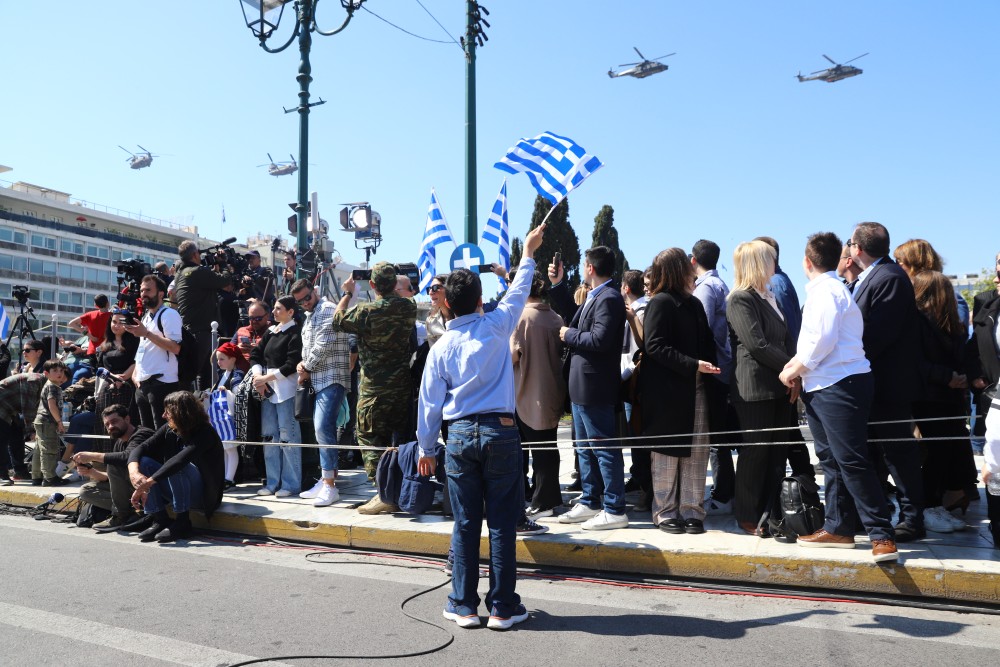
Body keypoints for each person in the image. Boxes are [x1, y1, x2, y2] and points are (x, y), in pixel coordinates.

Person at [417, 220, 546, 631]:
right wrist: (528, 252)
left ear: (445, 306)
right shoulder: (495, 325)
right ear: (478, 301)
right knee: (504, 523)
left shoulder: (439, 348)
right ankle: (504, 607)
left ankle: (463, 604)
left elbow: (429, 405)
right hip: (501, 432)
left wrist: (426, 450)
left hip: (457, 437)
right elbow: (520, 289)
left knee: (466, 522)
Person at [779, 232, 898, 563]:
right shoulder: (830, 289)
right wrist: (797, 367)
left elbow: (823, 339)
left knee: (851, 460)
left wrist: (795, 369)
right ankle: (839, 526)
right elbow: (815, 341)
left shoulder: (827, 291)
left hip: (840, 384)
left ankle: (881, 535)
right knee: (831, 460)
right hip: (826, 384)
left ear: (806, 262)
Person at [847, 222, 925, 542]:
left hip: (888, 385)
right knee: (878, 453)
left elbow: (879, 333)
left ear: (858, 249)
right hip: (873, 383)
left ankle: (912, 517)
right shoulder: (873, 276)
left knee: (898, 453)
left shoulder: (889, 277)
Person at [640, 248, 720, 535]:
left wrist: (709, 365)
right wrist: (694, 364)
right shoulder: (660, 303)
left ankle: (692, 510)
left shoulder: (694, 304)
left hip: (696, 388)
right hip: (667, 393)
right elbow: (654, 346)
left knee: (696, 454)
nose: (691, 270)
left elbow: (707, 341)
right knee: (666, 455)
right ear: (676, 270)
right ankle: (664, 511)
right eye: (686, 266)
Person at [549, 246, 628, 531]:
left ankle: (614, 507)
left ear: (590, 268)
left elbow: (600, 340)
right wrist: (558, 285)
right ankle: (591, 500)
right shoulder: (598, 295)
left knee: (603, 448)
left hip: (595, 387)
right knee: (584, 449)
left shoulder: (608, 297)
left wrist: (568, 335)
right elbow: (575, 317)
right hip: (583, 387)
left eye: (584, 265)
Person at [726, 241, 799, 535]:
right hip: (754, 387)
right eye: (769, 259)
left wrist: (794, 371)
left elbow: (785, 338)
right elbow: (757, 344)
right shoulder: (740, 299)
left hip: (781, 384)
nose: (774, 264)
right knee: (755, 453)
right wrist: (792, 369)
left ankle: (772, 512)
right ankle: (747, 513)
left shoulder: (770, 297)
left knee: (776, 453)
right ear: (757, 263)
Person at [332, 262, 417, 513]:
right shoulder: (408, 307)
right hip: (402, 385)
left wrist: (348, 292)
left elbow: (338, 320)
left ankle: (383, 494)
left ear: (371, 285)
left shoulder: (365, 311)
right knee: (399, 440)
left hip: (374, 389)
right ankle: (399, 490)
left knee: (368, 438)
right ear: (394, 285)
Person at [910, 271, 975, 532]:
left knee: (947, 452)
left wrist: (960, 377)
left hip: (949, 396)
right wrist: (949, 377)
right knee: (937, 453)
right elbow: (916, 362)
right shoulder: (917, 322)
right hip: (930, 396)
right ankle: (928, 506)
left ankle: (937, 504)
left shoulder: (949, 324)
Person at [127, 391, 225, 542]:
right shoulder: (169, 428)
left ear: (181, 413)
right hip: (177, 488)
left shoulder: (206, 433)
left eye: (168, 411)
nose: (164, 415)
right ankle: (159, 518)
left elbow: (180, 460)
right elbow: (141, 448)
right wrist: (134, 472)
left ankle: (182, 521)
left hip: (202, 495)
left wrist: (145, 485)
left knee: (177, 465)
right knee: (145, 462)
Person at [511, 268, 567, 519]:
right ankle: (549, 497)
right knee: (548, 449)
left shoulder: (519, 318)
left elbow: (513, 356)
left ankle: (543, 501)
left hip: (526, 394)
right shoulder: (555, 317)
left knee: (532, 452)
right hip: (552, 391)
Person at [292, 278, 352, 507]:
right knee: (322, 430)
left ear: (314, 291)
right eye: (300, 301)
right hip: (319, 378)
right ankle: (328, 479)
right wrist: (302, 364)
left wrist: (305, 366)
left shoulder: (327, 309)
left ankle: (329, 485)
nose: (305, 303)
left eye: (307, 297)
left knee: (322, 427)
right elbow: (310, 348)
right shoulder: (310, 315)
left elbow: (323, 344)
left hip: (331, 377)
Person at [691, 240, 737, 517]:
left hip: (715, 369)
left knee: (716, 437)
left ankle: (722, 496)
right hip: (723, 367)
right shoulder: (720, 285)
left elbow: (702, 329)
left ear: (693, 260)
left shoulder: (706, 288)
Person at [250, 295, 303, 496]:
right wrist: (258, 377)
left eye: (279, 308)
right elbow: (255, 355)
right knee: (270, 436)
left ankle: (290, 484)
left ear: (290, 312)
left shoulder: (295, 333)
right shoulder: (271, 332)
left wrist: (266, 378)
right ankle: (272, 482)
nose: (274, 312)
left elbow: (291, 365)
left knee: (288, 436)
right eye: (274, 308)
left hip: (287, 391)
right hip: (268, 391)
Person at [73, 405, 155, 532]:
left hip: (152, 487)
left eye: (114, 421)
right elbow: (114, 478)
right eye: (107, 424)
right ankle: (132, 511)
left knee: (113, 462)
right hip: (132, 487)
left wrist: (92, 456)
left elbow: (127, 457)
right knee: (86, 490)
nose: (111, 427)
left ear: (127, 419)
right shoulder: (119, 442)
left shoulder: (143, 434)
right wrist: (92, 472)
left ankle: (120, 515)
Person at [172, 239, 234, 390]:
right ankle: (183, 407)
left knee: (203, 372)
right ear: (194, 254)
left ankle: (201, 404)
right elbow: (225, 281)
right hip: (201, 330)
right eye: (198, 253)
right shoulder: (198, 272)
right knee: (191, 374)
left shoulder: (180, 274)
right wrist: (224, 263)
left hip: (190, 329)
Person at [126, 275, 182, 431]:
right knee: (146, 433)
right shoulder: (145, 318)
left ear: (161, 294)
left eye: (148, 290)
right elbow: (142, 349)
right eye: (142, 290)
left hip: (162, 383)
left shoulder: (169, 314)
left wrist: (147, 334)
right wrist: (136, 374)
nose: (143, 294)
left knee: (163, 433)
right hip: (143, 385)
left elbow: (175, 348)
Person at [620, 269, 651, 509]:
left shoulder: (640, 311)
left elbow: (637, 352)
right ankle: (638, 478)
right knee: (635, 435)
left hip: (634, 380)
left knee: (639, 436)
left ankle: (644, 486)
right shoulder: (638, 309)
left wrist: (625, 374)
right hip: (632, 380)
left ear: (626, 288)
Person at [893, 238, 970, 328]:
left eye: (898, 260)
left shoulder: (953, 298)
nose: (895, 265)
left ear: (914, 262)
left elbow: (959, 332)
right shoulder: (904, 294)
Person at [208, 342, 249, 489]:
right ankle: (226, 476)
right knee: (225, 449)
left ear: (232, 359)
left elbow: (239, 395)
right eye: (218, 359)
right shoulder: (223, 375)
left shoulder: (237, 375)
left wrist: (226, 391)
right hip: (221, 418)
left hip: (229, 418)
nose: (219, 362)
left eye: (222, 359)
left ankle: (229, 478)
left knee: (230, 449)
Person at [94, 313, 140, 433]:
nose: (117, 325)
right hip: (108, 386)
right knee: (107, 422)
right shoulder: (104, 345)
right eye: (114, 322)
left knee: (126, 421)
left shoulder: (136, 342)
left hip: (129, 385)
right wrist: (112, 379)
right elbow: (100, 367)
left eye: (121, 322)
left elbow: (138, 362)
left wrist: (123, 377)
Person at [0, 372, 46, 484]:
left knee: (16, 438)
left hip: (11, 409)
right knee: (2, 441)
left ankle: (20, 471)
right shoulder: (34, 380)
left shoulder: (46, 384)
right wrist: (31, 431)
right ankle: (2, 475)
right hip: (2, 407)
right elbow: (28, 407)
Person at [32, 360, 69, 486]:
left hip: (41, 421)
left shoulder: (51, 385)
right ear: (46, 373)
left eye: (61, 370)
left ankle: (36, 476)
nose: (59, 373)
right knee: (49, 449)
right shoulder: (52, 386)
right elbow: (51, 404)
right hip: (47, 421)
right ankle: (50, 478)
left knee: (39, 449)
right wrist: (59, 421)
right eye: (55, 371)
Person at [67, 294, 112, 361]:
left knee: (94, 371)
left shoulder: (90, 315)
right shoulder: (113, 317)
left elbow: (71, 323)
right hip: (108, 349)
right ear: (108, 303)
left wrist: (88, 334)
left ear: (96, 305)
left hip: (92, 350)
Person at [424, 274, 451, 347]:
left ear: (449, 289)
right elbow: (433, 352)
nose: (430, 292)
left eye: (435, 287)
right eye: (429, 289)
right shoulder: (430, 321)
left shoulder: (463, 315)